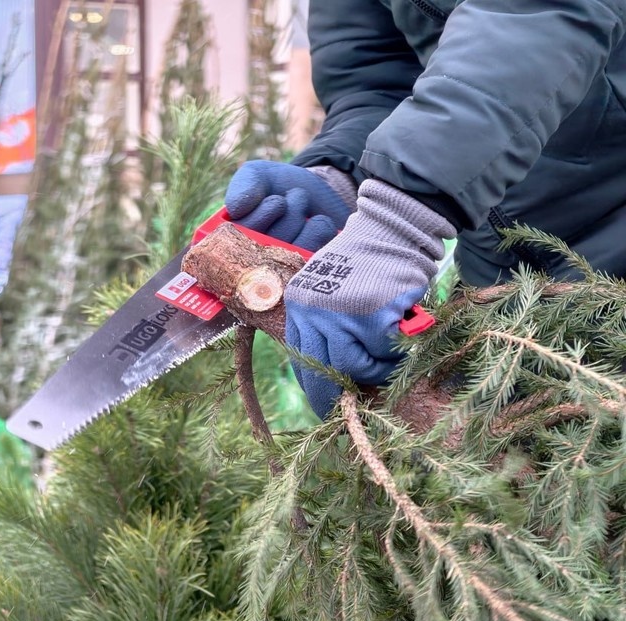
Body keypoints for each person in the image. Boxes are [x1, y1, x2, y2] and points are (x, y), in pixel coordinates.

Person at [223, 0, 626, 418]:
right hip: (506, 288)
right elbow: (382, 82)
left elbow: (538, 15)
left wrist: (396, 218)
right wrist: (344, 174)